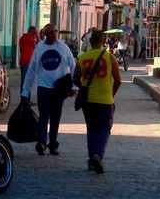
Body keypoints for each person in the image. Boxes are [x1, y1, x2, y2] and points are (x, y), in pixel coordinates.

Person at [21, 23, 76, 156]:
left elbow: (73, 66)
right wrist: (25, 91)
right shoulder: (39, 48)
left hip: (59, 89)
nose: (52, 35)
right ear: (45, 34)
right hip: (43, 88)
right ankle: (41, 142)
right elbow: (32, 70)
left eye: (54, 32)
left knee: (56, 117)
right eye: (49, 32)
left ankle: (53, 144)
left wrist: (74, 86)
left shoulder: (63, 47)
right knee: (43, 116)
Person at [75, 29, 122, 174]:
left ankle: (91, 160)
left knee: (91, 129)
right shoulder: (109, 58)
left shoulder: (82, 58)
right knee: (104, 129)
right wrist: (111, 94)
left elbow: (75, 78)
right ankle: (97, 155)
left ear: (90, 41)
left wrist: (84, 86)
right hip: (105, 100)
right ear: (102, 42)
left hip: (88, 100)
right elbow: (118, 80)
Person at [19, 26, 38, 94]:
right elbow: (38, 44)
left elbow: (21, 50)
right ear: (33, 32)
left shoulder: (22, 38)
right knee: (28, 81)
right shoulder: (32, 39)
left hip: (23, 61)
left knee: (23, 80)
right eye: (35, 31)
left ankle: (24, 99)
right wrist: (37, 35)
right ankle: (26, 100)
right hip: (28, 62)